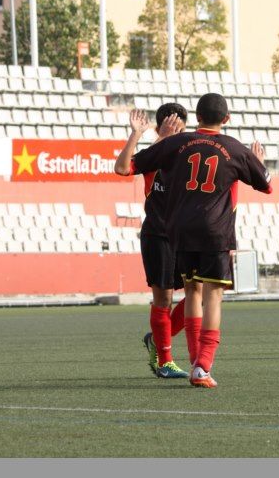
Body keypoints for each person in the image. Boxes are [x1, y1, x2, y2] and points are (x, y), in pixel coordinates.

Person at [128, 93, 272, 388]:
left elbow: (129, 166)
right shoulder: (234, 148)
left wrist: (149, 138)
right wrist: (257, 162)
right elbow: (266, 185)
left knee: (192, 293)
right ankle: (202, 364)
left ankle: (189, 360)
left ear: (196, 117)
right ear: (227, 119)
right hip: (213, 231)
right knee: (212, 297)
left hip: (179, 231)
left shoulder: (178, 144)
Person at [114, 104, 191, 379]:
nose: (178, 134)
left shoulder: (190, 154)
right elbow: (122, 168)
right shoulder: (154, 155)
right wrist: (140, 135)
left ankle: (159, 338)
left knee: (202, 293)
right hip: (158, 233)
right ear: (160, 128)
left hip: (186, 235)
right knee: (164, 298)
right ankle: (164, 361)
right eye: (173, 128)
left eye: (182, 129)